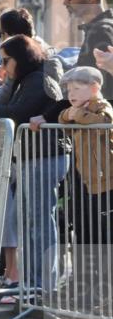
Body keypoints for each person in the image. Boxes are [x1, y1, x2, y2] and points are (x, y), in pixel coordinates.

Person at [0, 35, 68, 296]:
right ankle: (33, 285)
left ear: (21, 58)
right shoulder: (26, 79)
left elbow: (16, 114)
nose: (4, 64)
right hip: (31, 157)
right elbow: (13, 109)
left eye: (7, 59)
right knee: (30, 223)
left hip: (44, 156)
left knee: (39, 223)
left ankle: (43, 286)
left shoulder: (37, 79)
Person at [57, 66, 112, 246]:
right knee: (90, 227)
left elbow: (104, 122)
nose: (71, 94)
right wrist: (69, 113)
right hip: (87, 180)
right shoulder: (76, 110)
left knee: (107, 228)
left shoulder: (102, 106)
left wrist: (78, 114)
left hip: (106, 179)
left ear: (94, 88)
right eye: (69, 90)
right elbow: (62, 120)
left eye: (77, 89)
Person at [64, 0, 113, 99]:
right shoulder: (100, 28)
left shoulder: (100, 32)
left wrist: (48, 116)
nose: (65, 2)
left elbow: (86, 87)